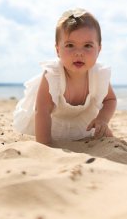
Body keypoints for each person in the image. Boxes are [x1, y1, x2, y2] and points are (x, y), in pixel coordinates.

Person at [13, 8, 117, 145]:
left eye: (87, 46)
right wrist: (45, 145)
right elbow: (42, 110)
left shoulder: (98, 74)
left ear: (99, 49)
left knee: (108, 136)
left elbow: (110, 100)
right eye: (70, 45)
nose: (79, 53)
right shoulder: (53, 75)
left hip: (82, 121)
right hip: (48, 122)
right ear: (57, 50)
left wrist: (103, 119)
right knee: (44, 136)